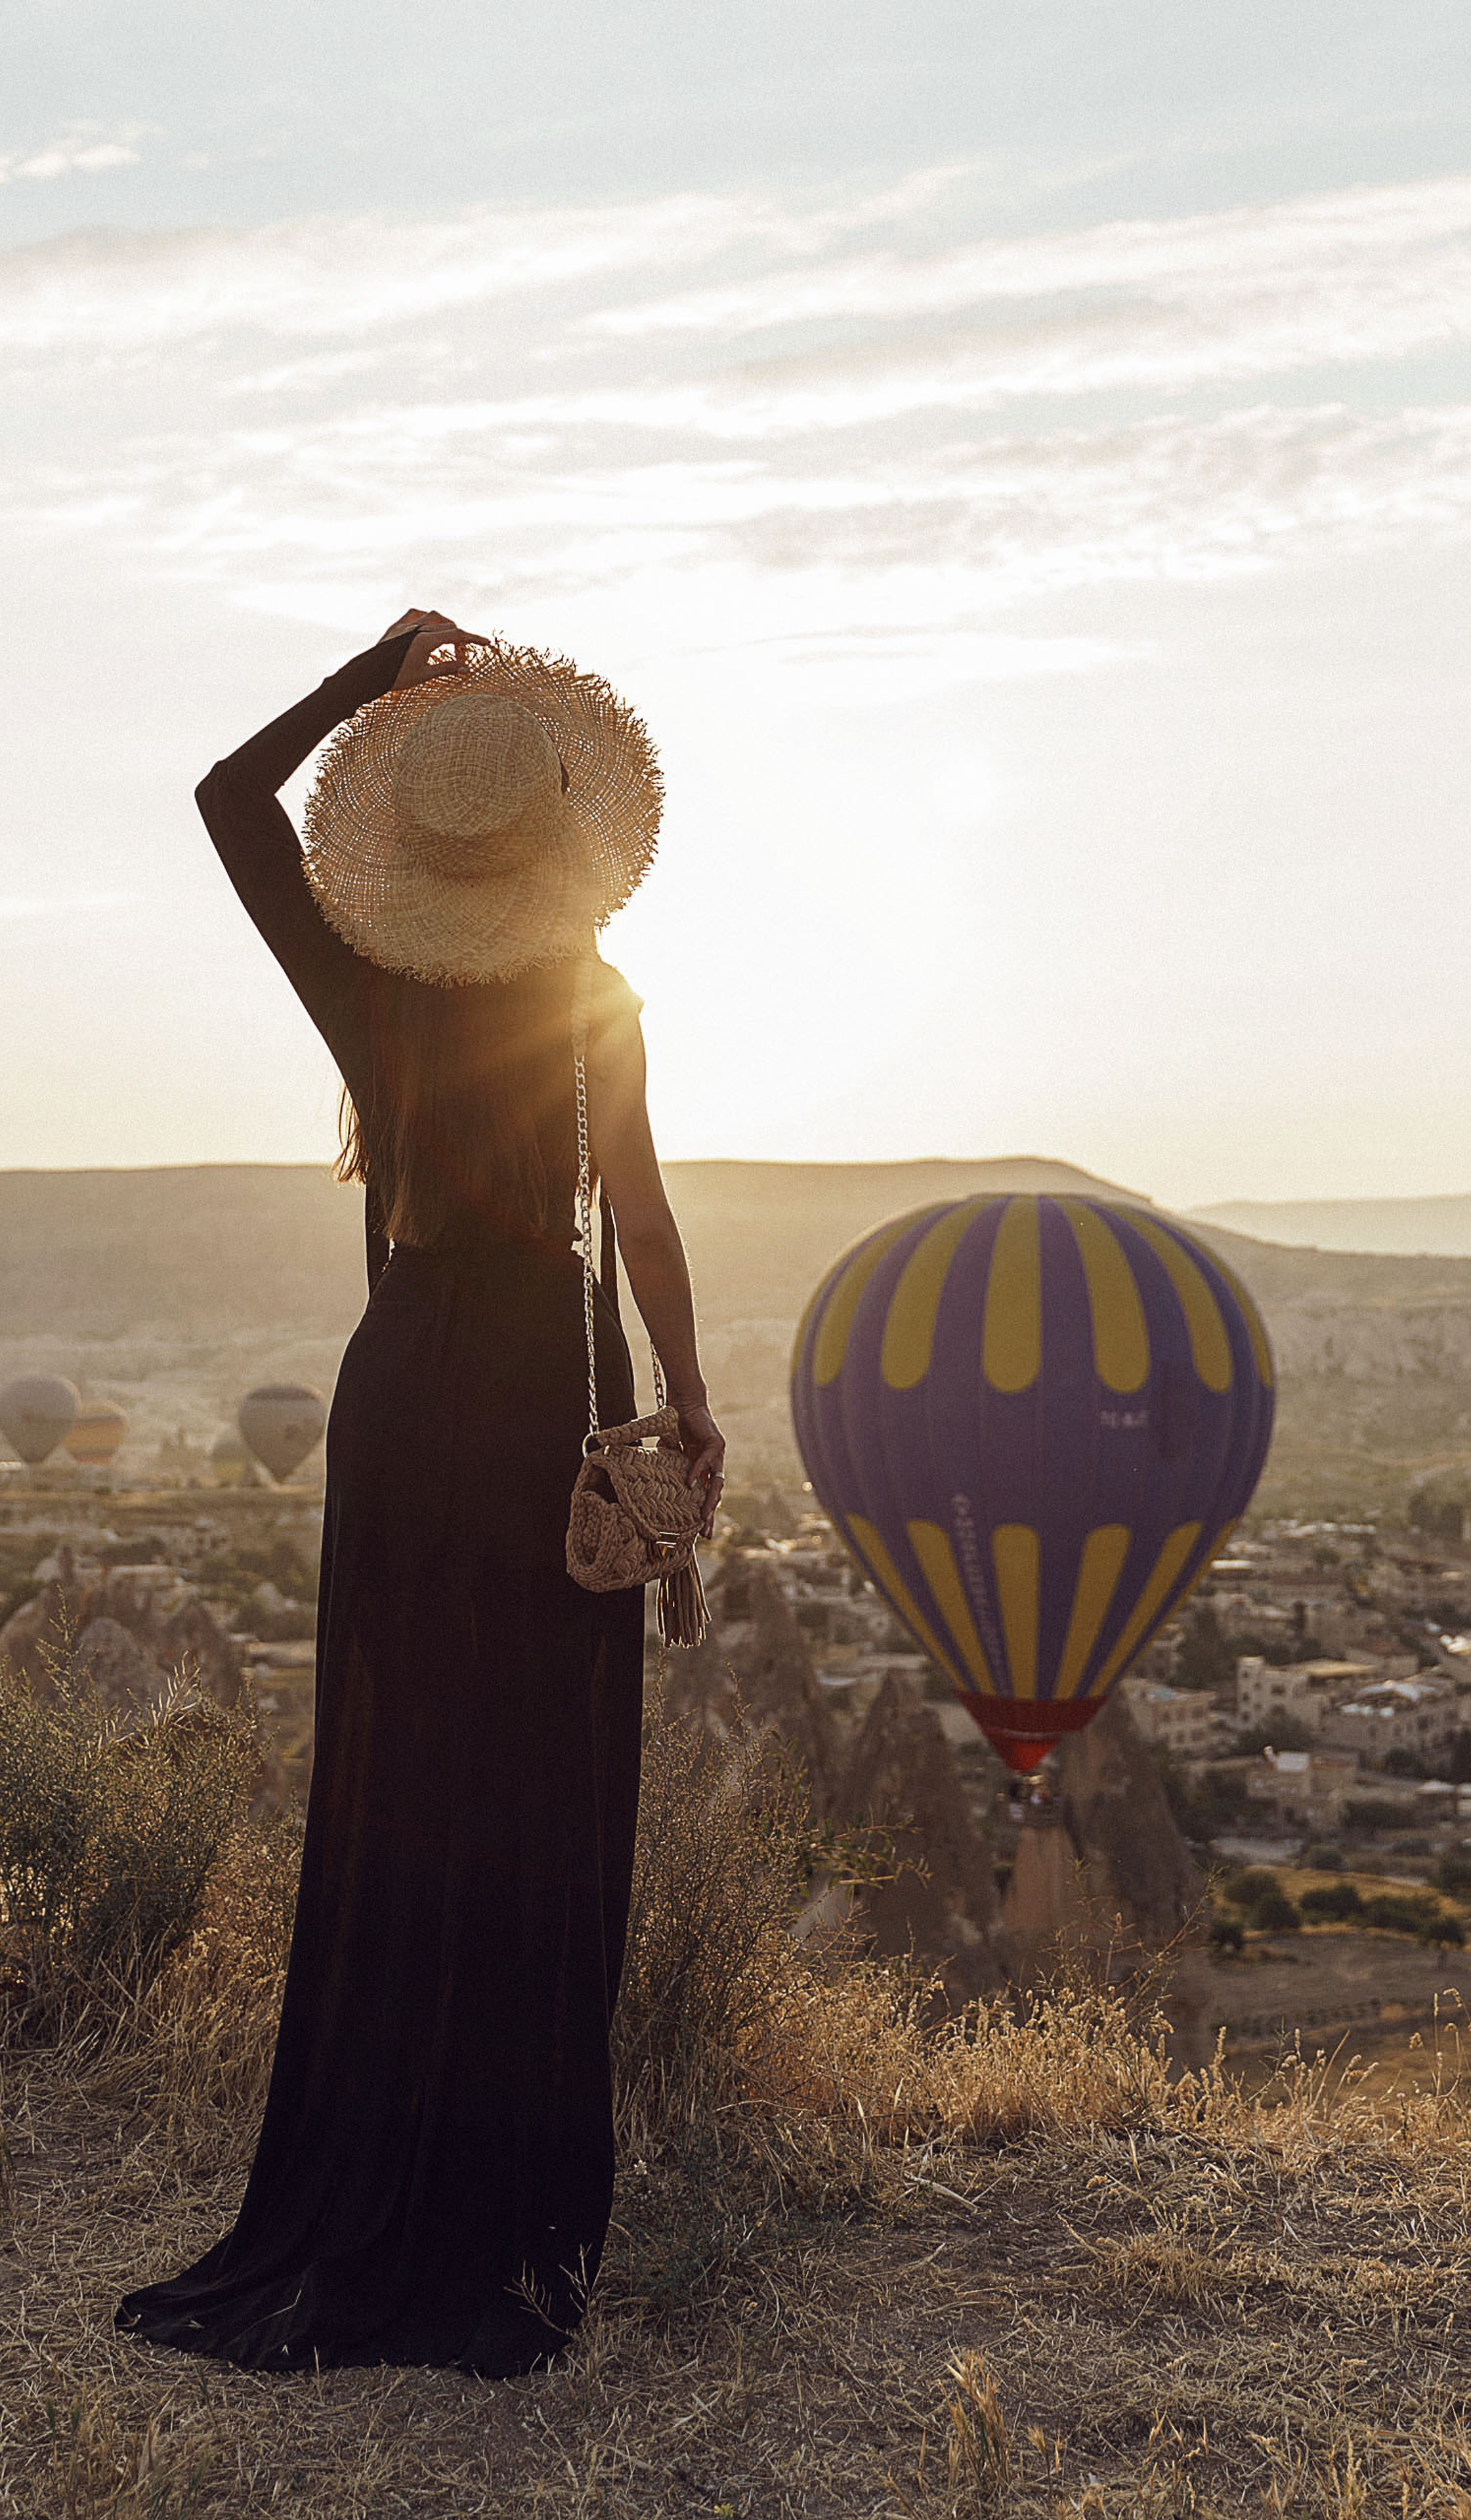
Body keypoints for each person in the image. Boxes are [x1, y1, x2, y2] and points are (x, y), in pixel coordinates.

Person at [116, 609, 723, 2376]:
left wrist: (370, 678)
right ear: (563, 840)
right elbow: (652, 1220)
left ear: (421, 851)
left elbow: (231, 794)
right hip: (546, 1395)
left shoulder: (368, 989)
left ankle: (364, 2182)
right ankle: (501, 2209)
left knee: (402, 1777)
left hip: (403, 1398)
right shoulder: (598, 999)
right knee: (535, 1779)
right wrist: (688, 1397)